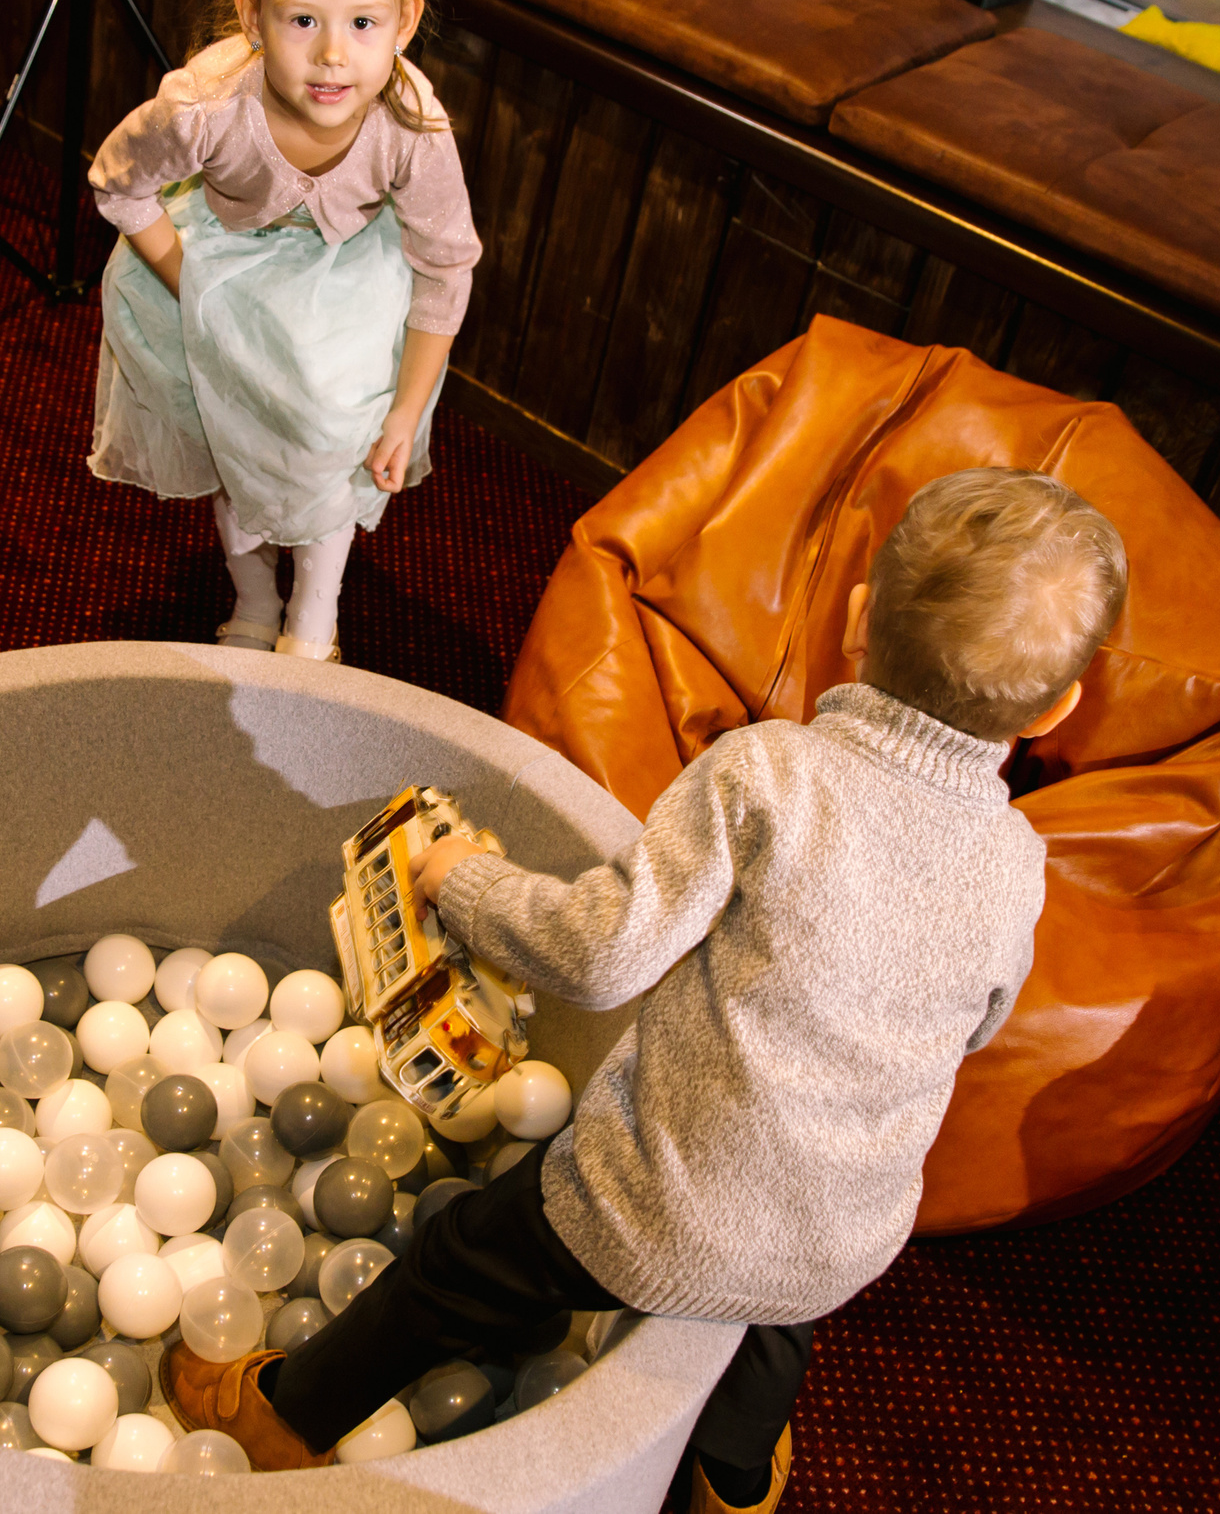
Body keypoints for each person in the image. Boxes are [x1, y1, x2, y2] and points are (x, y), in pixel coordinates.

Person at [161, 468, 1130, 1513]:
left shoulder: (765, 776)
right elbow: (983, 1022)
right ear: (1061, 708)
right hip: (842, 1232)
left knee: (461, 1261)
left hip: (648, 1204)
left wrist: (462, 883)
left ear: (855, 623)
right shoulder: (1015, 860)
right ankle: (733, 1483)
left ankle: (285, 1417)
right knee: (770, 1323)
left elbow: (598, 955)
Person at [86, 0, 478, 663]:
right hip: (222, 261)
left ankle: (314, 617)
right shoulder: (207, 104)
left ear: (404, 21)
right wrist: (191, 285)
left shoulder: (412, 123)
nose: (334, 56)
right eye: (302, 20)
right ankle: (257, 597)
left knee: (328, 430)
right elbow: (117, 182)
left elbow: (446, 264)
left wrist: (405, 413)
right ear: (250, 15)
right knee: (235, 441)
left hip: (344, 282)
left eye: (363, 24)